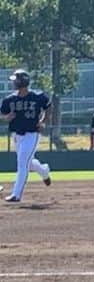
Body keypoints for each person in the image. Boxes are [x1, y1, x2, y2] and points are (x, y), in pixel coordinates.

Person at [0, 69, 52, 203]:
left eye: (15, 80)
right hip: (17, 135)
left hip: (32, 134)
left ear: (22, 82)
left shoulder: (37, 97)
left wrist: (43, 121)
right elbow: (3, 114)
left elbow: (48, 107)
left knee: (22, 162)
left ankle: (16, 195)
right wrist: (7, 117)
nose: (13, 83)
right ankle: (44, 171)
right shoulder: (9, 99)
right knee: (28, 163)